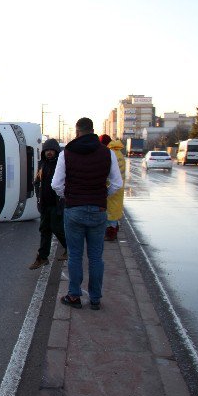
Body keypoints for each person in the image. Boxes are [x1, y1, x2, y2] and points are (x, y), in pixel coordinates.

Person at [52, 118, 123, 310]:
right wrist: (102, 196)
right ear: (92, 131)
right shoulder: (108, 153)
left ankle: (74, 296)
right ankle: (95, 298)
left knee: (75, 255)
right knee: (96, 257)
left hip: (74, 209)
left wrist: (69, 197)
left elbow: (56, 184)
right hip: (99, 210)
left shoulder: (66, 153)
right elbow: (117, 183)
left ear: (77, 132)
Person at [29, 138, 68, 269]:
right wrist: (39, 197)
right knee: (44, 230)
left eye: (52, 150)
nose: (49, 153)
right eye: (47, 150)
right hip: (45, 204)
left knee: (57, 228)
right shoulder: (42, 164)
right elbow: (36, 182)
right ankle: (42, 257)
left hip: (57, 203)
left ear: (56, 151)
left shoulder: (61, 164)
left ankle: (70, 249)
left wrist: (63, 199)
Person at [100, 135, 126, 241]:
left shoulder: (110, 153)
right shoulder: (118, 152)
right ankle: (114, 229)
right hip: (119, 186)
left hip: (112, 186)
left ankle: (111, 234)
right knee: (114, 210)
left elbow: (107, 171)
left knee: (110, 213)